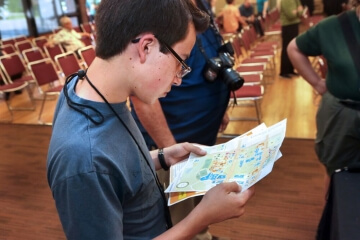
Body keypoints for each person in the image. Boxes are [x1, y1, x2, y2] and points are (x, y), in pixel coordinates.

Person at [46, 0, 255, 239]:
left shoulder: (86, 87)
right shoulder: (83, 159)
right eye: (180, 61)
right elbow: (100, 164)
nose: (178, 79)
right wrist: (201, 218)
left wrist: (162, 157)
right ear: (146, 47)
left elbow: (116, 167)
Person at [130, 0, 237, 238]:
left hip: (199, 139)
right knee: (178, 221)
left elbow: (209, 59)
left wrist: (219, 106)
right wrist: (169, 150)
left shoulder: (200, 5)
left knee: (199, 206)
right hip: (170, 146)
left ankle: (202, 234)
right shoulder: (157, 9)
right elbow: (141, 94)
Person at [287, 0, 360, 198]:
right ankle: (332, 223)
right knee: (336, 171)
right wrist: (318, 84)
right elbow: (294, 48)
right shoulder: (332, 26)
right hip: (342, 114)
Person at [278, 0, 303, 79]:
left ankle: (290, 70)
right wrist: (297, 11)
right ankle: (284, 72)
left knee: (293, 48)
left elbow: (301, 11)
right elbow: (290, 15)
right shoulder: (285, 1)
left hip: (294, 25)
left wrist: (297, 11)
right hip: (288, 26)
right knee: (286, 48)